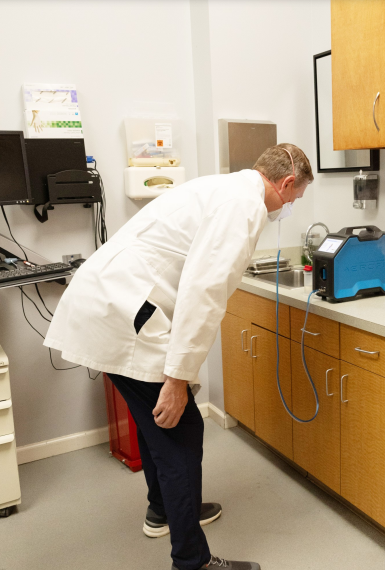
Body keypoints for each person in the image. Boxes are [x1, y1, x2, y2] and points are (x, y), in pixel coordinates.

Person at [44, 143, 314, 570]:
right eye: (294, 198)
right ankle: (192, 560)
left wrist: (176, 376)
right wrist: (176, 380)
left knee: (159, 425)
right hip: (124, 312)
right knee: (181, 431)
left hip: (111, 303)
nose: (290, 206)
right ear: (284, 184)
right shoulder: (243, 208)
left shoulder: (223, 188)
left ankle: (165, 511)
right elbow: (202, 294)